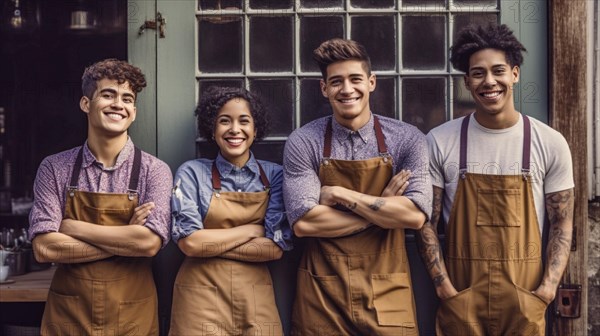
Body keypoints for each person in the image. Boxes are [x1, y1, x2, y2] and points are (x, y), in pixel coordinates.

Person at [419, 24, 574, 336]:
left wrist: (545, 290)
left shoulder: (549, 142)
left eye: (498, 70)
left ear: (514, 74)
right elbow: (426, 222)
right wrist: (444, 288)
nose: (489, 81)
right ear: (467, 80)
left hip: (525, 303)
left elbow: (562, 223)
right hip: (461, 302)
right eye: (478, 73)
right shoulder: (440, 141)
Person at [283, 38, 431, 335]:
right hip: (322, 293)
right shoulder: (303, 142)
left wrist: (340, 194)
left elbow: (414, 215)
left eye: (355, 79)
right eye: (336, 81)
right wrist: (381, 206)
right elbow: (304, 223)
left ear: (371, 82)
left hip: (388, 291)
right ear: (324, 88)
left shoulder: (407, 139)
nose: (347, 89)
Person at [29, 59, 172, 336]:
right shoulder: (54, 168)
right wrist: (126, 234)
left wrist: (72, 227)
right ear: (86, 104)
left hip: (132, 316)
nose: (119, 104)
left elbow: (149, 244)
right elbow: (45, 249)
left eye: (127, 98)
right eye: (108, 94)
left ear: (134, 112)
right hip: (70, 315)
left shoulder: (155, 170)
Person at [169, 86, 293, 335]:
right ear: (212, 130)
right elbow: (190, 244)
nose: (235, 129)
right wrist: (251, 230)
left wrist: (210, 241)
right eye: (224, 121)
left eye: (244, 121)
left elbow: (274, 249)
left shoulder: (275, 176)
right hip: (199, 300)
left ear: (255, 130)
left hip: (255, 300)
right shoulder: (191, 172)